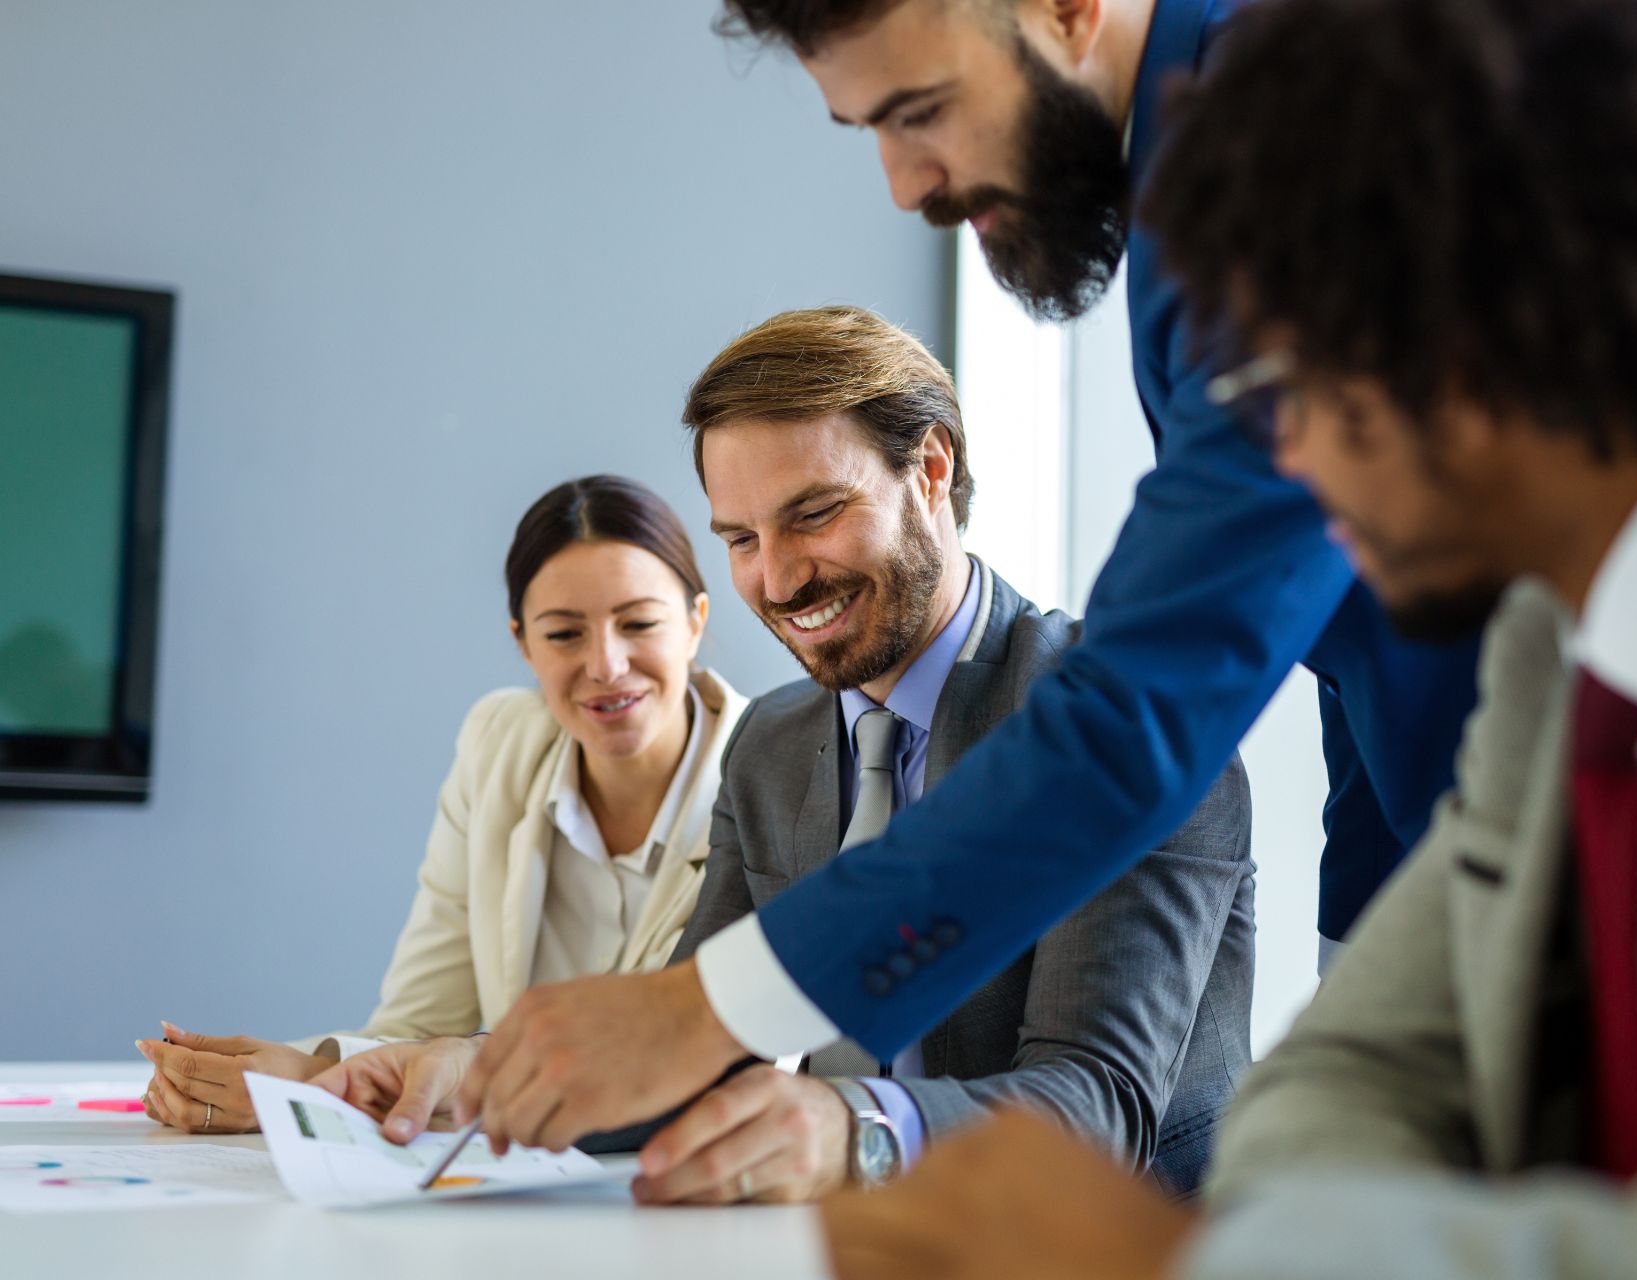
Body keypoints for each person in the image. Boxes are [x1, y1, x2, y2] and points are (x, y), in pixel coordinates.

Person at [814, 0, 1637, 1276]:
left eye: (1299, 386)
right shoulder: (1552, 674)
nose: (1290, 469)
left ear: (1501, 300)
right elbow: (1353, 1073)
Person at [450, 0, 1484, 1163]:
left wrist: (712, 1008)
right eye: (870, 129)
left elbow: (1153, 698)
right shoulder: (1191, 177)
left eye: (923, 111)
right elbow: (1361, 627)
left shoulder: (1288, 115)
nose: (905, 185)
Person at [307, 308, 1256, 1198]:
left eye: (814, 514)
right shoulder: (771, 742)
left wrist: (856, 1133)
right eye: (740, 538)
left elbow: (1100, 1106)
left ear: (931, 471)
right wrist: (477, 1072)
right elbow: (692, 1049)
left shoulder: (1117, 718)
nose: (779, 576)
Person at [135, 475, 746, 1136]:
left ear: (695, 623)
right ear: (524, 644)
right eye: (565, 634)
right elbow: (422, 1025)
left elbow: (679, 1060)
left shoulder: (771, 779)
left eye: (639, 623)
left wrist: (316, 1086)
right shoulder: (499, 745)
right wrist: (308, 1074)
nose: (606, 664)